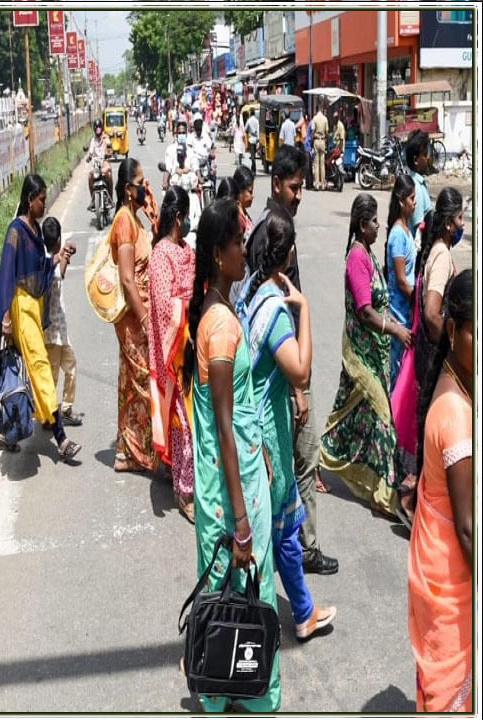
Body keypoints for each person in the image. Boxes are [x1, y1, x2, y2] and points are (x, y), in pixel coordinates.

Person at [183, 198, 281, 713]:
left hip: (239, 474)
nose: (246, 251)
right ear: (220, 255)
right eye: (238, 243)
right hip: (230, 490)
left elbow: (237, 414)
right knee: (239, 588)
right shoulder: (219, 324)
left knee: (229, 591)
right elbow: (223, 423)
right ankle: (244, 690)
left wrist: (259, 451)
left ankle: (225, 687)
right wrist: (241, 519)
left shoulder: (218, 312)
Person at [238, 209, 338, 640]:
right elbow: (298, 370)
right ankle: (251, 629)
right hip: (266, 438)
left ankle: (301, 609)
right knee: (274, 532)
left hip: (260, 425)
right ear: (289, 253)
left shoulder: (253, 292)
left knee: (279, 531)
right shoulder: (278, 311)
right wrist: (306, 310)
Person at [244, 145, 338, 575]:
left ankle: (292, 547)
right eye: (295, 187)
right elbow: (278, 308)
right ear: (276, 184)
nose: (300, 195)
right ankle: (302, 547)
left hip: (284, 366)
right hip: (285, 369)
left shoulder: (272, 225)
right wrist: (299, 388)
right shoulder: (272, 232)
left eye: (302, 187)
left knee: (293, 461)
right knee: (301, 457)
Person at [318, 194, 412, 521]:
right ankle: (382, 496)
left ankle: (322, 459)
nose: (379, 226)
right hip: (360, 352)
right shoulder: (356, 259)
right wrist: (396, 330)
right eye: (374, 222)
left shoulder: (368, 253)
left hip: (374, 352)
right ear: (362, 225)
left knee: (349, 411)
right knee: (383, 419)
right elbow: (367, 312)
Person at [407, 270, 473, 713]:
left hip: (441, 564)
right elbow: (467, 530)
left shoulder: (458, 383)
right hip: (454, 576)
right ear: (451, 330)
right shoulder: (455, 414)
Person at [0, 176, 81, 461]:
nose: (44, 203)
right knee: (39, 366)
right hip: (18, 307)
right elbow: (7, 276)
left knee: (25, 370)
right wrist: (5, 318)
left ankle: (7, 429)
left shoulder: (36, 230)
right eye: (40, 199)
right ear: (30, 200)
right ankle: (61, 438)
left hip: (33, 307)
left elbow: (41, 266)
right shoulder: (15, 231)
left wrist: (58, 257)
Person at [392, 188, 464, 513]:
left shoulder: (436, 250)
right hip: (434, 354)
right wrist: (448, 347)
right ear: (449, 223)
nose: (463, 224)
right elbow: (433, 311)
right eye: (460, 218)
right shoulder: (442, 256)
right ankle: (415, 503)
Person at [148, 187, 195, 522]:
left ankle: (187, 477)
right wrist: (188, 301)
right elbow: (166, 307)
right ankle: (184, 491)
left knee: (194, 420)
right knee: (182, 425)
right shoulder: (160, 255)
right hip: (173, 349)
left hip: (194, 345)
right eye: (187, 214)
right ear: (178, 217)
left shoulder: (186, 249)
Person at [109, 158, 159, 474]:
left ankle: (127, 451)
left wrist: (152, 211)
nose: (145, 187)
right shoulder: (124, 222)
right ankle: (135, 452)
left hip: (141, 315)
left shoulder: (135, 218)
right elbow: (127, 278)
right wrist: (143, 319)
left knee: (133, 382)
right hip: (133, 318)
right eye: (141, 183)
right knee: (141, 380)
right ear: (129, 189)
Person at [41, 216, 82, 427]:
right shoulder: (47, 264)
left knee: (70, 366)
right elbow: (58, 274)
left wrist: (64, 253)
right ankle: (48, 412)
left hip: (59, 330)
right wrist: (63, 255)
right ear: (56, 239)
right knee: (53, 373)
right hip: (52, 332)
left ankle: (65, 407)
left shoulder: (48, 259)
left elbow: (61, 272)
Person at [384, 175, 418, 381]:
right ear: (401, 201)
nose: (414, 203)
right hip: (399, 314)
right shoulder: (397, 235)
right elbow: (401, 280)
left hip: (407, 313)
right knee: (397, 376)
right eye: (411, 198)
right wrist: (417, 304)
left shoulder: (407, 230)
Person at [405, 130, 435, 241]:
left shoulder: (418, 182)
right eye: (425, 154)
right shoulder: (415, 187)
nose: (428, 158)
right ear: (416, 160)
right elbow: (420, 229)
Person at [86, 120, 112, 211]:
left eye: (99, 127)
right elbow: (90, 152)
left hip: (105, 164)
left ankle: (110, 198)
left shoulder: (106, 139)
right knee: (90, 176)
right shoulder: (93, 140)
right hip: (96, 166)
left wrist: (108, 153)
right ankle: (93, 200)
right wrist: (88, 157)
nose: (98, 129)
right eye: (96, 128)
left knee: (108, 175)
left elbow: (109, 149)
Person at [230, 166, 256, 238]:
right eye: (250, 192)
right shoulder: (237, 219)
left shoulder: (243, 213)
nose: (252, 196)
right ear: (240, 191)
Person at [310, 105, 329, 190]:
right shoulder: (325, 119)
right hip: (323, 141)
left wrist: (312, 141)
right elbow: (327, 131)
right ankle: (323, 184)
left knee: (316, 164)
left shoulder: (315, 118)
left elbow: (313, 131)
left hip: (316, 141)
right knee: (322, 164)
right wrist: (326, 141)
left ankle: (317, 184)